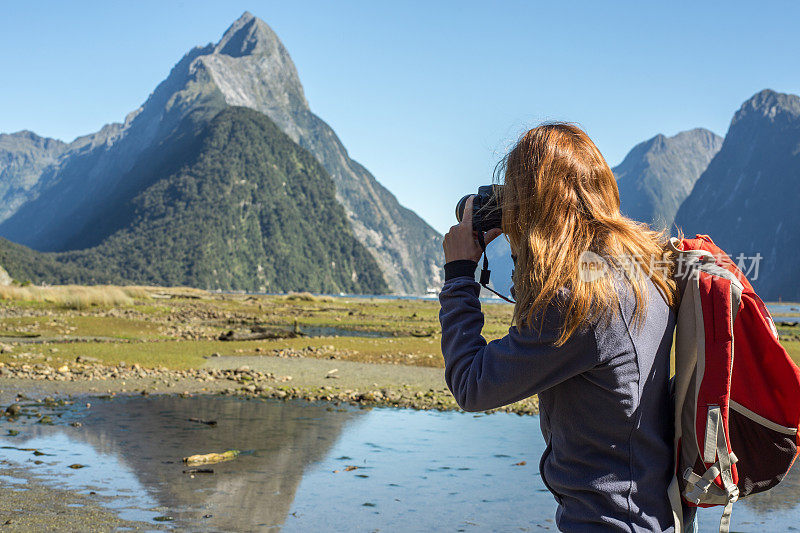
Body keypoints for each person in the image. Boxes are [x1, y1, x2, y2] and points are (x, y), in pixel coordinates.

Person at [439, 123, 691, 532]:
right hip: (650, 514)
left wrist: (458, 276)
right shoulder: (641, 271)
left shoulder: (581, 301)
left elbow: (471, 384)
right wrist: (527, 247)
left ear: (538, 205)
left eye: (517, 196)